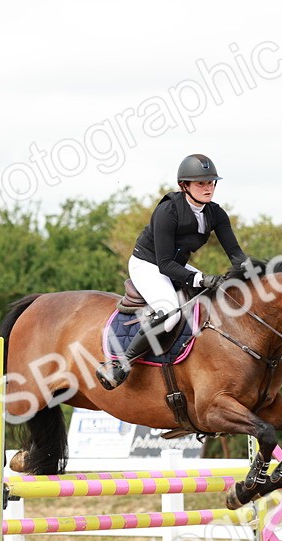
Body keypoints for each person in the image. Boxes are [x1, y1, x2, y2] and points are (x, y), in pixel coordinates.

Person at [95, 153, 251, 390]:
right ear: (184, 186)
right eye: (201, 183)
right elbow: (165, 264)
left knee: (215, 299)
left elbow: (235, 253)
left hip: (175, 263)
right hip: (148, 264)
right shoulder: (168, 211)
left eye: (211, 183)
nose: (208, 188)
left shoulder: (216, 213)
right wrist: (200, 278)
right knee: (169, 313)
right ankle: (122, 364)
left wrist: (254, 272)